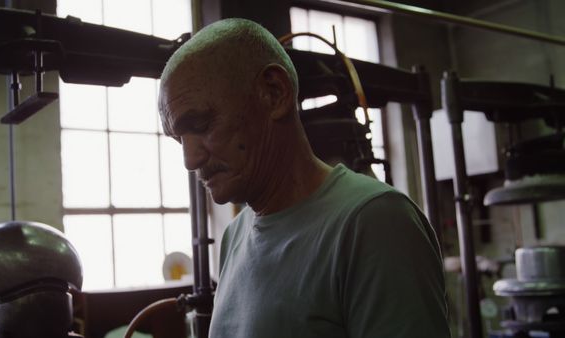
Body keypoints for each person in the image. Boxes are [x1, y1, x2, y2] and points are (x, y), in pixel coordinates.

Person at [158, 18, 450, 338]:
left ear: (274, 93)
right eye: (179, 139)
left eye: (200, 125)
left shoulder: (375, 222)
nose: (190, 159)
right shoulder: (234, 237)